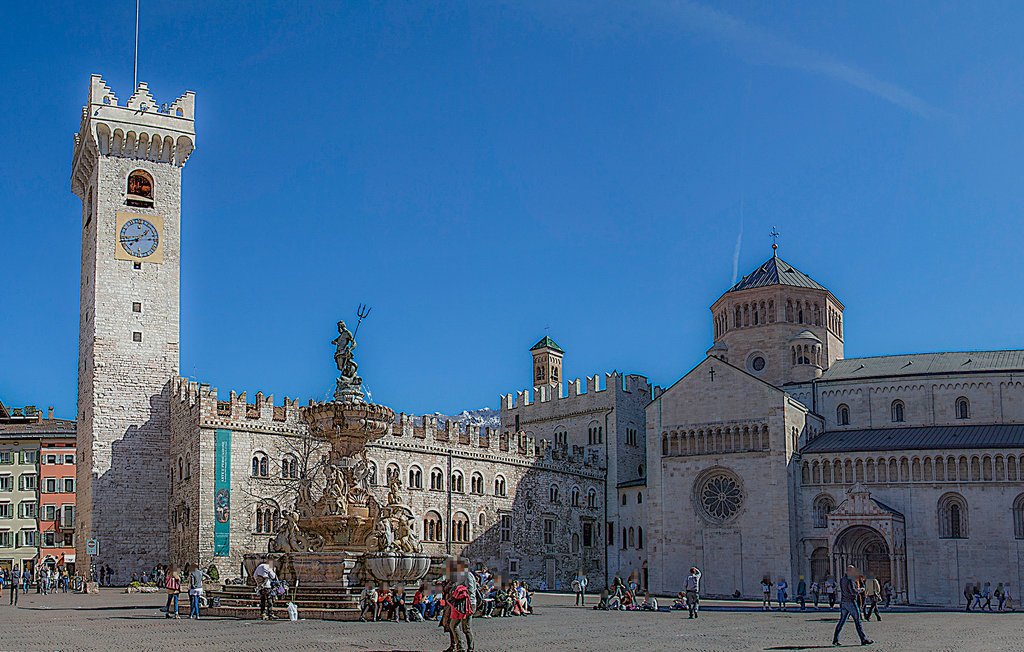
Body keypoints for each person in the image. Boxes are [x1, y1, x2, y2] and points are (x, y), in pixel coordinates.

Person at [832, 565, 872, 647]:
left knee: (842, 621)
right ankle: (863, 639)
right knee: (858, 621)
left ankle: (835, 639)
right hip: (851, 602)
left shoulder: (842, 579)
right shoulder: (850, 579)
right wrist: (861, 590)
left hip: (843, 602)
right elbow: (853, 591)